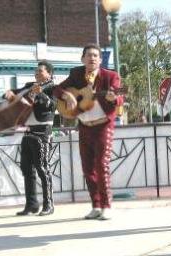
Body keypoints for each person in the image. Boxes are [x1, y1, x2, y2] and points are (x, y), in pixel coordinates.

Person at [53, 44, 123, 220]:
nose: (92, 58)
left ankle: (107, 205)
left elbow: (120, 96)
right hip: (84, 125)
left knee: (101, 165)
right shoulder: (76, 74)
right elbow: (56, 89)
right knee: (87, 168)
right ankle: (96, 205)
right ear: (82, 59)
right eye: (89, 55)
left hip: (103, 126)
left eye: (95, 56)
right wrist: (67, 96)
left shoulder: (110, 76)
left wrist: (114, 97)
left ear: (100, 60)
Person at [4, 61, 56, 216]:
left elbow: (52, 105)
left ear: (49, 73)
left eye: (40, 71)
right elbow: (14, 92)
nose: (37, 73)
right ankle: (32, 205)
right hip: (27, 132)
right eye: (36, 71)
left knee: (43, 169)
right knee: (26, 169)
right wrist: (8, 93)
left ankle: (49, 205)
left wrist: (39, 93)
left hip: (42, 132)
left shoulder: (54, 88)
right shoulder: (29, 85)